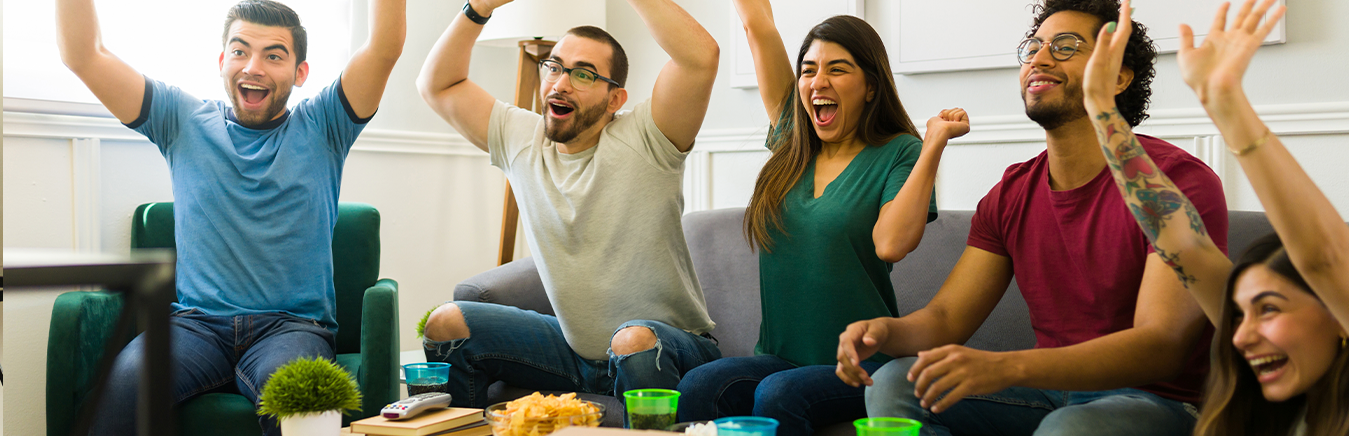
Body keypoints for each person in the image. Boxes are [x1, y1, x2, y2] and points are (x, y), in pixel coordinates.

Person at [837, 0, 1228, 434]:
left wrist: (1010, 367)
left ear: (1117, 77)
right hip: (1049, 393)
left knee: (1071, 427)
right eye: (1035, 46)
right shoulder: (1011, 194)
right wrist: (883, 333)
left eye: (1065, 46)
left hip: (1158, 401)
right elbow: (945, 320)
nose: (1040, 58)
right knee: (895, 382)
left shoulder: (1174, 184)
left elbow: (1162, 346)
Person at [56, 0, 406, 433]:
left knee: (305, 402)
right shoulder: (180, 119)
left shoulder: (326, 125)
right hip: (195, 328)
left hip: (293, 329)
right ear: (223, 61)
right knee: (125, 385)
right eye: (240, 51)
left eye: (273, 56)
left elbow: (385, 47)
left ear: (300, 73)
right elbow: (83, 56)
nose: (253, 67)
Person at [675, 1, 968, 433]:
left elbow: (891, 244)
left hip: (858, 366)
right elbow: (757, 25)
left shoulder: (898, 153)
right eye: (809, 69)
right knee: (701, 384)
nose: (818, 81)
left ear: (871, 86)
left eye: (838, 69)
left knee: (778, 393)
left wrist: (934, 143)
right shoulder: (793, 144)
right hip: (778, 356)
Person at [415, 0, 721, 406]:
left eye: (583, 74)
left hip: (669, 350)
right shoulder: (521, 139)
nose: (560, 84)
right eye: (555, 67)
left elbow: (701, 57)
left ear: (614, 100)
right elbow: (437, 85)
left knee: (632, 341)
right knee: (446, 323)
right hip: (575, 351)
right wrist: (480, 8)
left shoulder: (650, 138)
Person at [1083, 0, 1349, 433]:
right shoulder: (1264, 414)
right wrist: (1101, 109)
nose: (1240, 337)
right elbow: (1181, 244)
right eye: (1240, 316)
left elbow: (1324, 257)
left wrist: (1226, 103)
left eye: (1269, 309)